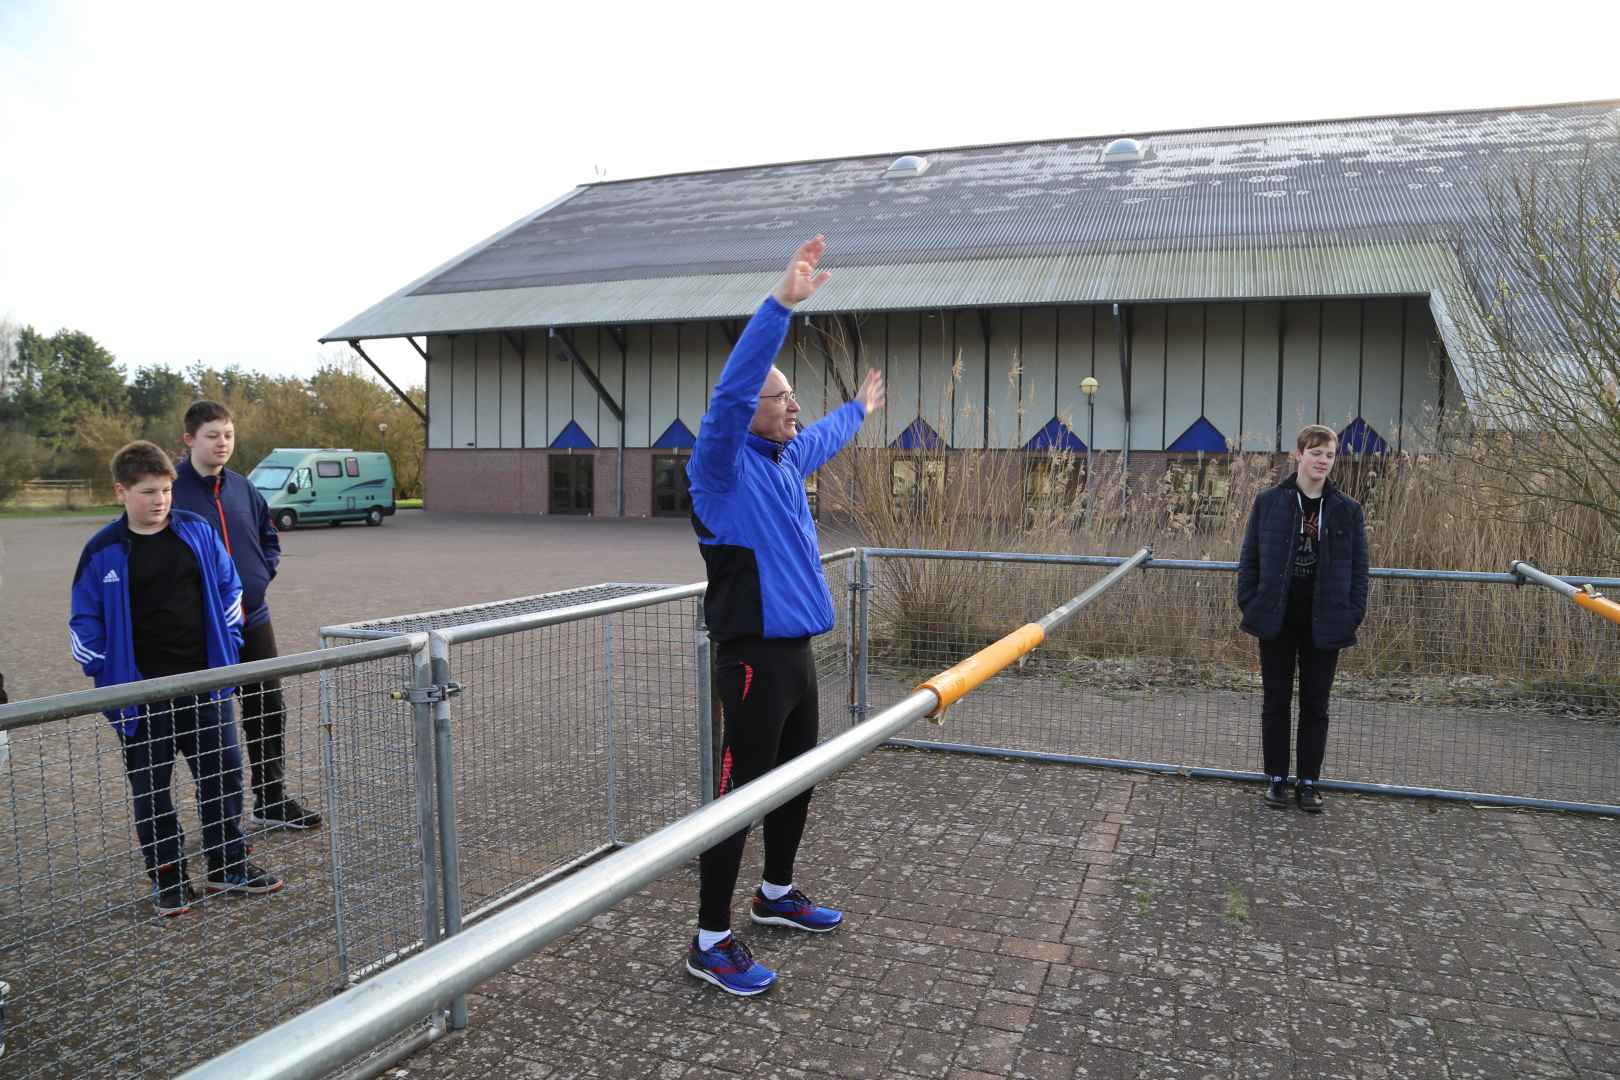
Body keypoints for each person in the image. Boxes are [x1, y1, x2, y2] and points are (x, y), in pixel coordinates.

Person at [682, 236, 885, 996]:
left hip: (797, 655)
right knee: (740, 798)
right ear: (747, 414)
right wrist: (779, 306)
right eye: (782, 398)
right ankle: (709, 939)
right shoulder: (721, 467)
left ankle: (774, 896)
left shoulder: (784, 460)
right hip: (751, 660)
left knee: (796, 781)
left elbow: (821, 434)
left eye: (794, 396)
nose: (792, 405)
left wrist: (856, 411)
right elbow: (735, 392)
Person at [69, 440, 284, 915]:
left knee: (223, 777)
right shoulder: (103, 550)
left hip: (205, 687)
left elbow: (231, 589)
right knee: (152, 791)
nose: (161, 500)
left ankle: (229, 865)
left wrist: (225, 644)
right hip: (141, 697)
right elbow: (83, 624)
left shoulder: (198, 532)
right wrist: (110, 673)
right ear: (121, 491)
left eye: (166, 489)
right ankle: (168, 880)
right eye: (148, 491)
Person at [173, 400, 320, 830]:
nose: (223, 443)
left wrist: (258, 579)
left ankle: (271, 801)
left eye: (229, 435)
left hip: (253, 619)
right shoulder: (171, 493)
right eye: (212, 435)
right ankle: (221, 824)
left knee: (267, 708)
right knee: (209, 725)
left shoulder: (243, 487)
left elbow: (268, 538)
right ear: (189, 440)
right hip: (201, 631)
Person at [1236, 424, 1370, 814]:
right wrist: (1251, 601)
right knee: (1276, 701)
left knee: (1316, 704)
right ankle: (1276, 779)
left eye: (1329, 455)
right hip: (1276, 619)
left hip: (1324, 622)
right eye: (1316, 453)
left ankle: (1309, 782)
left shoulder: (1348, 510)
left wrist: (1351, 614)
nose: (1323, 461)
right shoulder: (1269, 502)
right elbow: (1251, 559)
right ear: (1300, 455)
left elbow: (1360, 570)